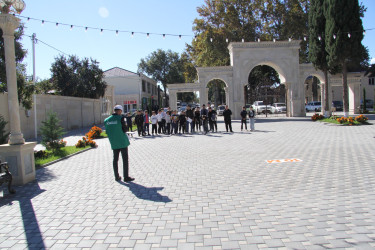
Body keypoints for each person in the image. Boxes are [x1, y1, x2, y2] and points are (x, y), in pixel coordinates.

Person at [104, 105, 135, 182]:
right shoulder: (120, 118)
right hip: (122, 142)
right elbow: (125, 129)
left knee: (115, 159)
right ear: (120, 111)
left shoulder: (106, 120)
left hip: (114, 142)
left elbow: (107, 132)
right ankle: (126, 177)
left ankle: (116, 176)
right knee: (125, 159)